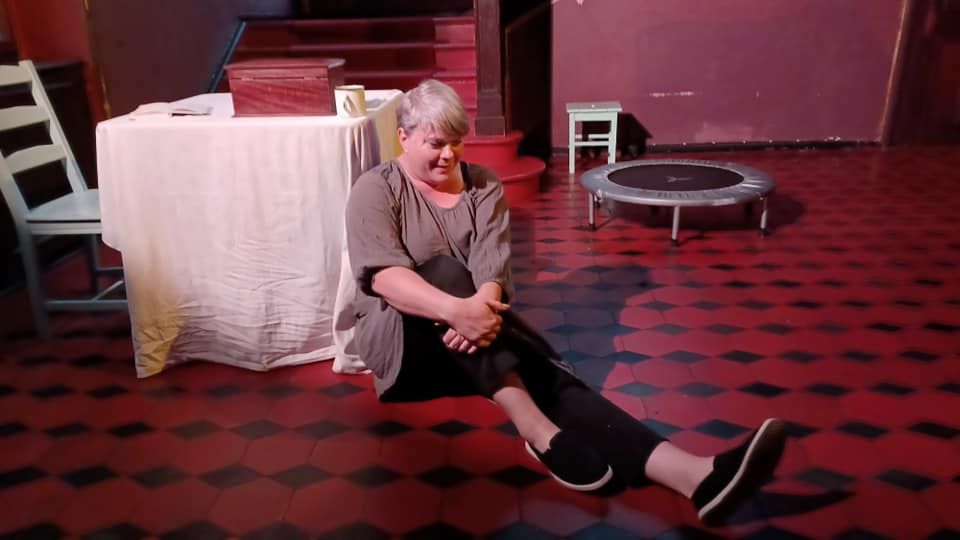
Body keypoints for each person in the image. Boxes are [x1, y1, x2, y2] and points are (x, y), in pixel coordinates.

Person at [344, 79, 787, 524]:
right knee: (444, 273)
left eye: (456, 142)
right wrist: (459, 312)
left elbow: (491, 269)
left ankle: (696, 476)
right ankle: (537, 432)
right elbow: (384, 277)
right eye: (436, 143)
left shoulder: (482, 185)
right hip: (406, 349)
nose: (449, 155)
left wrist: (477, 311)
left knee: (547, 377)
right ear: (403, 137)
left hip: (474, 346)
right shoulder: (376, 188)